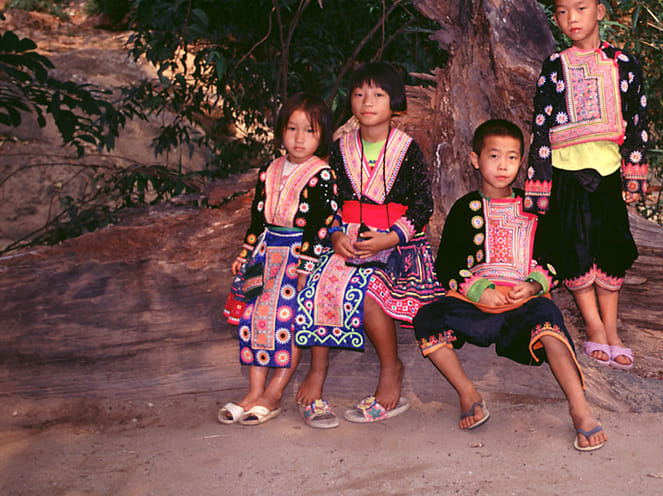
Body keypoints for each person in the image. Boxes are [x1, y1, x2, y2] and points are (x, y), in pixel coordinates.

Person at [414, 119, 607, 452]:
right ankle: (468, 393)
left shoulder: (535, 208)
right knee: (427, 318)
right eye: (494, 156)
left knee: (550, 322)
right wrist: (480, 290)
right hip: (475, 304)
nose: (503, 166)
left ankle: (579, 408)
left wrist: (533, 286)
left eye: (512, 157)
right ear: (475, 159)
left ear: (522, 161)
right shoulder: (464, 209)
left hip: (523, 305)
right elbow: (446, 265)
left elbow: (556, 257)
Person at [293, 62, 444, 427]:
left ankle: (391, 368)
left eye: (378, 94)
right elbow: (328, 202)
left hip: (396, 242)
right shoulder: (340, 149)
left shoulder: (407, 150)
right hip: (348, 239)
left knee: (371, 292)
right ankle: (317, 370)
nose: (367, 102)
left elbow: (423, 205)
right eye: (359, 94)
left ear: (396, 103)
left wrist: (389, 238)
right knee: (317, 282)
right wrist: (336, 235)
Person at [523, 0, 648, 370]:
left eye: (580, 8)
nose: (572, 19)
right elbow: (540, 125)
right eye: (562, 12)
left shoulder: (624, 64)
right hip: (565, 174)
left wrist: (634, 171)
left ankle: (612, 330)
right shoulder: (554, 66)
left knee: (609, 247)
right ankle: (594, 327)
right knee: (575, 249)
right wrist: (539, 179)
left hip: (608, 173)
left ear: (600, 11)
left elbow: (637, 121)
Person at [218, 93, 339, 426]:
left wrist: (307, 266)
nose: (299, 138)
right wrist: (246, 253)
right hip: (266, 253)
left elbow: (321, 225)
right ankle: (253, 391)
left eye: (310, 131)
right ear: (281, 131)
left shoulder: (321, 174)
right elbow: (258, 220)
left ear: (322, 136)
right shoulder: (269, 171)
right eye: (292, 128)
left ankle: (274, 392)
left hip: (299, 258)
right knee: (254, 317)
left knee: (288, 321)